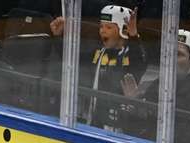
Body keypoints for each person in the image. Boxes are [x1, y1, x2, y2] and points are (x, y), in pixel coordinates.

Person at [50, 4, 148, 132]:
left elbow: (141, 60)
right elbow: (71, 59)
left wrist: (134, 35)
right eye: (101, 26)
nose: (102, 30)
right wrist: (58, 37)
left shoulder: (131, 56)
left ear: (123, 30)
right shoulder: (99, 53)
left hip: (121, 128)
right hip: (95, 122)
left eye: (108, 27)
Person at [126, 29, 190, 143]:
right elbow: (144, 122)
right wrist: (136, 104)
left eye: (179, 54)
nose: (172, 59)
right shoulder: (164, 80)